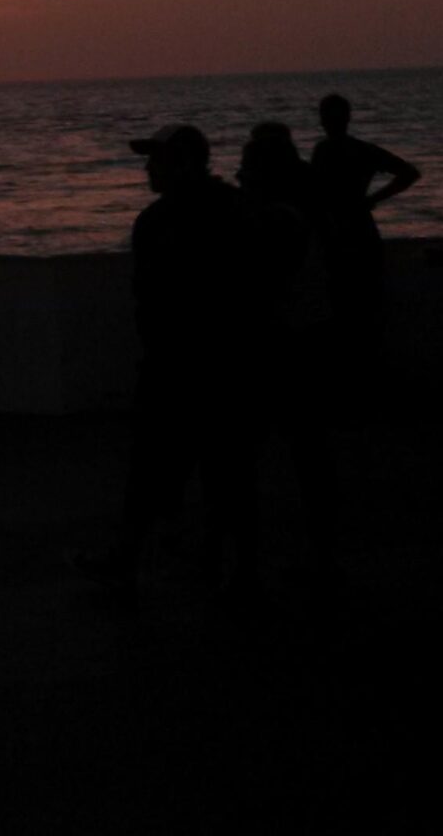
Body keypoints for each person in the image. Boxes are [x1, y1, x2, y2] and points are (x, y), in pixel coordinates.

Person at [73, 124, 260, 602]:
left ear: (183, 164)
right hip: (203, 360)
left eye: (156, 160)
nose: (147, 169)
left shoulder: (170, 220)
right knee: (212, 467)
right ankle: (221, 563)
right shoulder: (223, 211)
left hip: (197, 361)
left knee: (182, 466)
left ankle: (157, 558)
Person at [236, 123, 336, 586]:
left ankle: (249, 558)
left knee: (256, 454)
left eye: (246, 165)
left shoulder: (275, 221)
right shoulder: (299, 213)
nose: (238, 174)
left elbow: (260, 289)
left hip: (285, 346)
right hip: (305, 342)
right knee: (308, 454)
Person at [309, 94, 418, 381]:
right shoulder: (362, 150)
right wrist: (373, 199)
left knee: (344, 300)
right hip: (358, 227)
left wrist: (373, 198)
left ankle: (353, 368)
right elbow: (408, 173)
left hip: (338, 229)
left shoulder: (324, 150)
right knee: (364, 300)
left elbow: (315, 193)